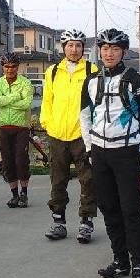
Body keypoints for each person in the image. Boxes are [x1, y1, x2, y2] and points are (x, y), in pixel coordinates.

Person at [80, 29, 140, 278]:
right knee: (108, 208)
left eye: (114, 48)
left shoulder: (135, 80)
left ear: (123, 52)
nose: (109, 53)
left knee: (131, 210)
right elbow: (84, 116)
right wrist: (90, 149)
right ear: (99, 51)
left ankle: (139, 264)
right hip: (100, 153)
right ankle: (121, 260)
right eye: (104, 48)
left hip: (127, 152)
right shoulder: (91, 81)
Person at [41, 29, 98, 243]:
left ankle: (86, 223)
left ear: (83, 48)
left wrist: (93, 130)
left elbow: (97, 103)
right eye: (70, 45)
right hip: (57, 135)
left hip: (83, 136)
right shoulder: (53, 71)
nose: (74, 49)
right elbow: (47, 101)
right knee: (58, 180)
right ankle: (58, 222)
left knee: (88, 180)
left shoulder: (92, 70)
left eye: (78, 45)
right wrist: (48, 124)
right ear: (63, 48)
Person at [0, 51, 34, 208]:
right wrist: (16, 97)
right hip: (4, 127)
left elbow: (27, 103)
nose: (10, 69)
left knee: (21, 161)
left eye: (13, 66)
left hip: (21, 127)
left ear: (18, 67)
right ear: (2, 67)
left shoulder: (25, 82)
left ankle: (24, 194)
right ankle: (14, 195)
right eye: (7, 66)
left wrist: (7, 102)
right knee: (7, 162)